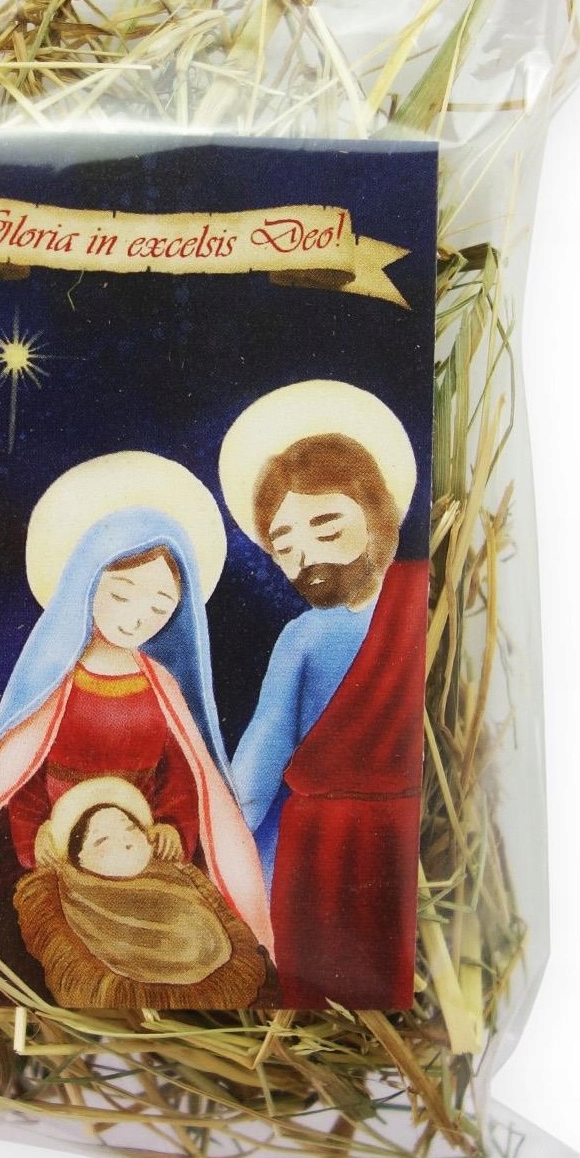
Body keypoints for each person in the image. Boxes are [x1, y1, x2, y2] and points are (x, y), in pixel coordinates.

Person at [0, 451, 272, 1007]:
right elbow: (23, 776)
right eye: (121, 595)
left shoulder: (163, 685)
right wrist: (39, 840)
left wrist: (173, 826)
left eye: (160, 606)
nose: (138, 617)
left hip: (144, 844)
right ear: (86, 584)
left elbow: (185, 773)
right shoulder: (58, 681)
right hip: (59, 844)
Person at [219, 381, 428, 1011]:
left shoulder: (422, 603)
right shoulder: (305, 636)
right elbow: (262, 757)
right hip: (323, 844)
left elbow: (255, 771)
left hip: (371, 838)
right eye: (283, 546)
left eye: (326, 525)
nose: (305, 557)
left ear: (375, 507)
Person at [12, 776, 268, 1009]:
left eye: (129, 828)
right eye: (101, 840)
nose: (124, 841)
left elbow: (180, 789)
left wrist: (172, 827)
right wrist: (37, 834)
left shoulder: (180, 879)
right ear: (79, 858)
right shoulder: (70, 897)